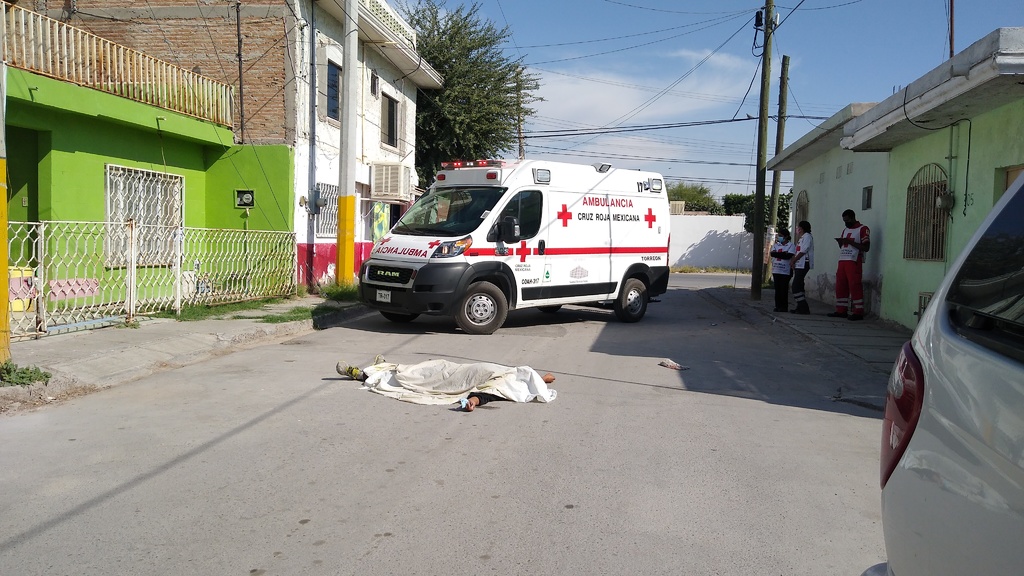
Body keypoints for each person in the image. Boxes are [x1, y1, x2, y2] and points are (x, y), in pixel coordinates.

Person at [336, 357, 557, 411]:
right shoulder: (515, 373)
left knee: (415, 381)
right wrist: (543, 379)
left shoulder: (504, 388)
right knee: (425, 368)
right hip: (453, 368)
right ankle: (386, 367)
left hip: (453, 381)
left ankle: (362, 374)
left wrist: (472, 402)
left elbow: (485, 395)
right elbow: (530, 377)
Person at [829, 209, 870, 321]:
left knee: (854, 285)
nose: (846, 223)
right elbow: (844, 246)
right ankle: (841, 310)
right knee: (840, 286)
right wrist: (841, 242)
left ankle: (858, 312)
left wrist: (850, 242)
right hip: (842, 260)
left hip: (854, 260)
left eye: (847, 220)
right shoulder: (845, 230)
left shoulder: (863, 229)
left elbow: (866, 247)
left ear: (852, 218)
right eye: (844, 221)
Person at [789, 221, 814, 314]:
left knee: (795, 286)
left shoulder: (807, 236)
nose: (797, 229)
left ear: (802, 228)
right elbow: (797, 251)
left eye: (798, 227)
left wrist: (794, 260)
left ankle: (804, 307)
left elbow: (803, 251)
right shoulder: (801, 238)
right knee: (799, 285)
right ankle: (799, 307)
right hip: (799, 264)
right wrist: (794, 261)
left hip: (804, 263)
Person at [768, 229, 796, 313]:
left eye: (781, 236)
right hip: (776, 270)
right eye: (778, 236)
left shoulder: (791, 245)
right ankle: (777, 306)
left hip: (786, 271)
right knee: (777, 289)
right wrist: (783, 253)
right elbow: (772, 254)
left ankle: (784, 307)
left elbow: (788, 256)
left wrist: (780, 254)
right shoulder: (776, 245)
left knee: (783, 289)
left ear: (786, 236)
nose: (779, 237)